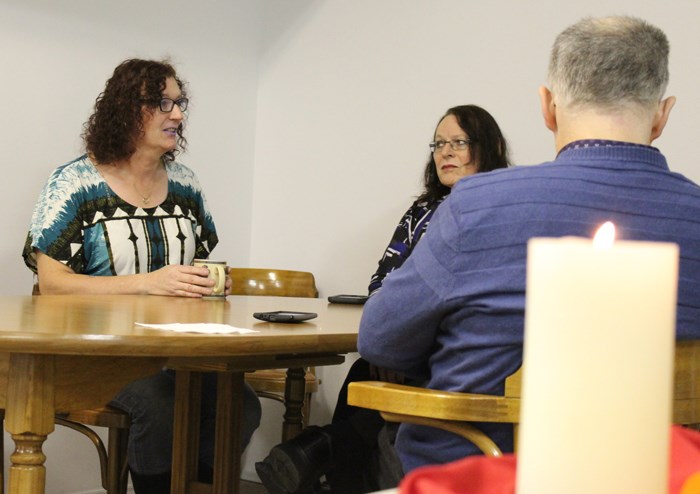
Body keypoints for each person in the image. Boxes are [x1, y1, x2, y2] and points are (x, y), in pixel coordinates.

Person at [358, 15, 700, 476]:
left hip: (478, 473)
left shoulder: (476, 204)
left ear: (548, 107)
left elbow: (381, 339)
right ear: (663, 113)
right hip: (657, 477)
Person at [22, 59, 262, 493]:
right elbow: (52, 283)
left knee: (240, 405)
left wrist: (211, 284)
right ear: (127, 111)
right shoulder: (74, 183)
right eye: (163, 103)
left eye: (179, 102)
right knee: (161, 404)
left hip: (176, 354)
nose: (178, 115)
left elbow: (195, 264)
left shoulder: (186, 183)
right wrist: (147, 282)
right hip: (94, 355)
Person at [255, 105, 511, 494]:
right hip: (405, 344)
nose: (446, 152)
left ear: (488, 148)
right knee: (364, 371)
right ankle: (322, 458)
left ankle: (318, 451)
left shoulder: (497, 213)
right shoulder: (422, 211)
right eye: (439, 144)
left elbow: (463, 299)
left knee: (367, 380)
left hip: (455, 357)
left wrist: (401, 346)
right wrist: (392, 343)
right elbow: (383, 281)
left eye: (459, 142)